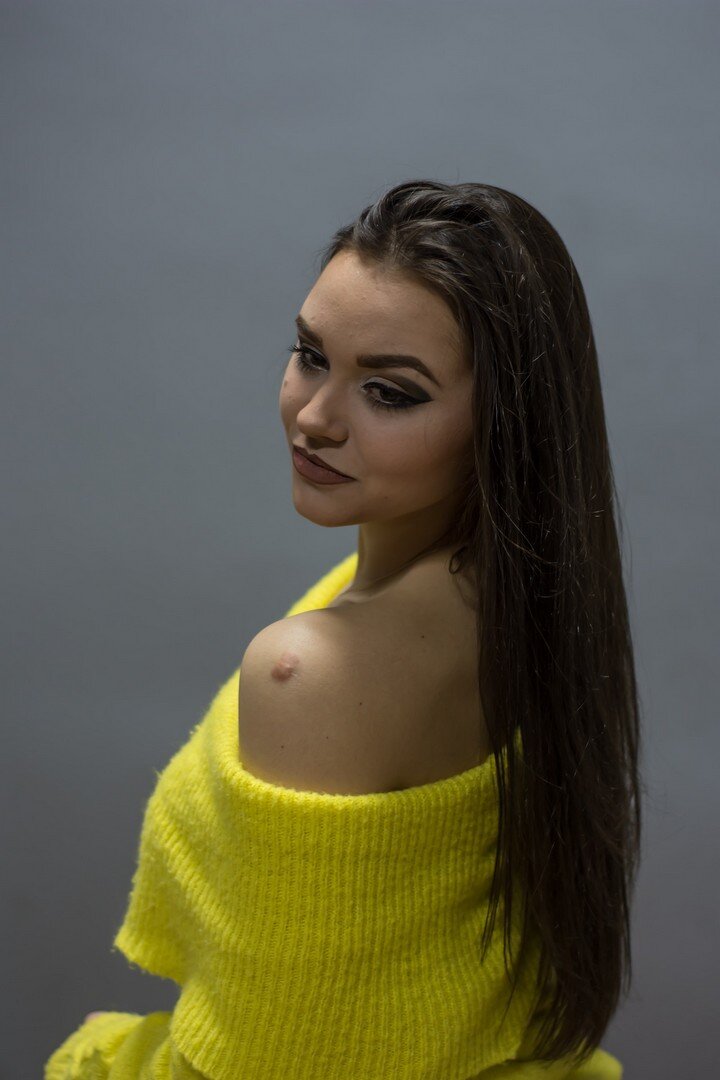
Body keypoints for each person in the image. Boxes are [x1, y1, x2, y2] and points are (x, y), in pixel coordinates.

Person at [46, 180, 638, 1079]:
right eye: (310, 355)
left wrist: (123, 1058)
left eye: (390, 393)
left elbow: (277, 1061)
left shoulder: (315, 671)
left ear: (502, 425)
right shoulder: (526, 601)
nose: (315, 418)